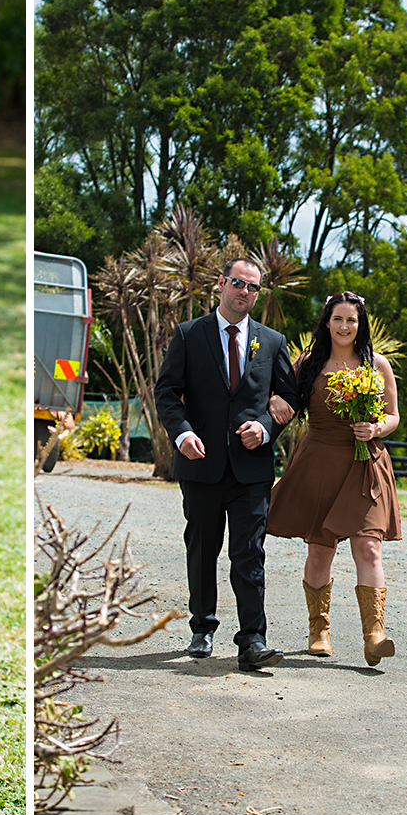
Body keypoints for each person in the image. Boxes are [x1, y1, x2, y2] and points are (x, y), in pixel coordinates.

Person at [154, 258, 299, 670]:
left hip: (251, 470)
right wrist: (182, 434)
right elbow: (167, 392)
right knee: (202, 549)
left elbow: (290, 399)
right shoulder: (189, 334)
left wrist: (267, 427)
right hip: (200, 466)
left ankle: (253, 639)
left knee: (249, 553)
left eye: (253, 288)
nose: (245, 292)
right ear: (221, 284)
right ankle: (202, 626)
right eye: (238, 283)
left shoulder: (271, 341)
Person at [266, 291, 402, 667]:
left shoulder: (378, 364)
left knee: (369, 547)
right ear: (327, 322)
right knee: (321, 549)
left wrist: (375, 428)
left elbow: (393, 416)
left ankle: (374, 635)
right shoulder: (308, 363)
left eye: (352, 320)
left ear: (361, 325)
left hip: (365, 464)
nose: (345, 326)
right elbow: (286, 402)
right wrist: (274, 400)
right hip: (319, 462)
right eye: (338, 319)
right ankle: (318, 630)